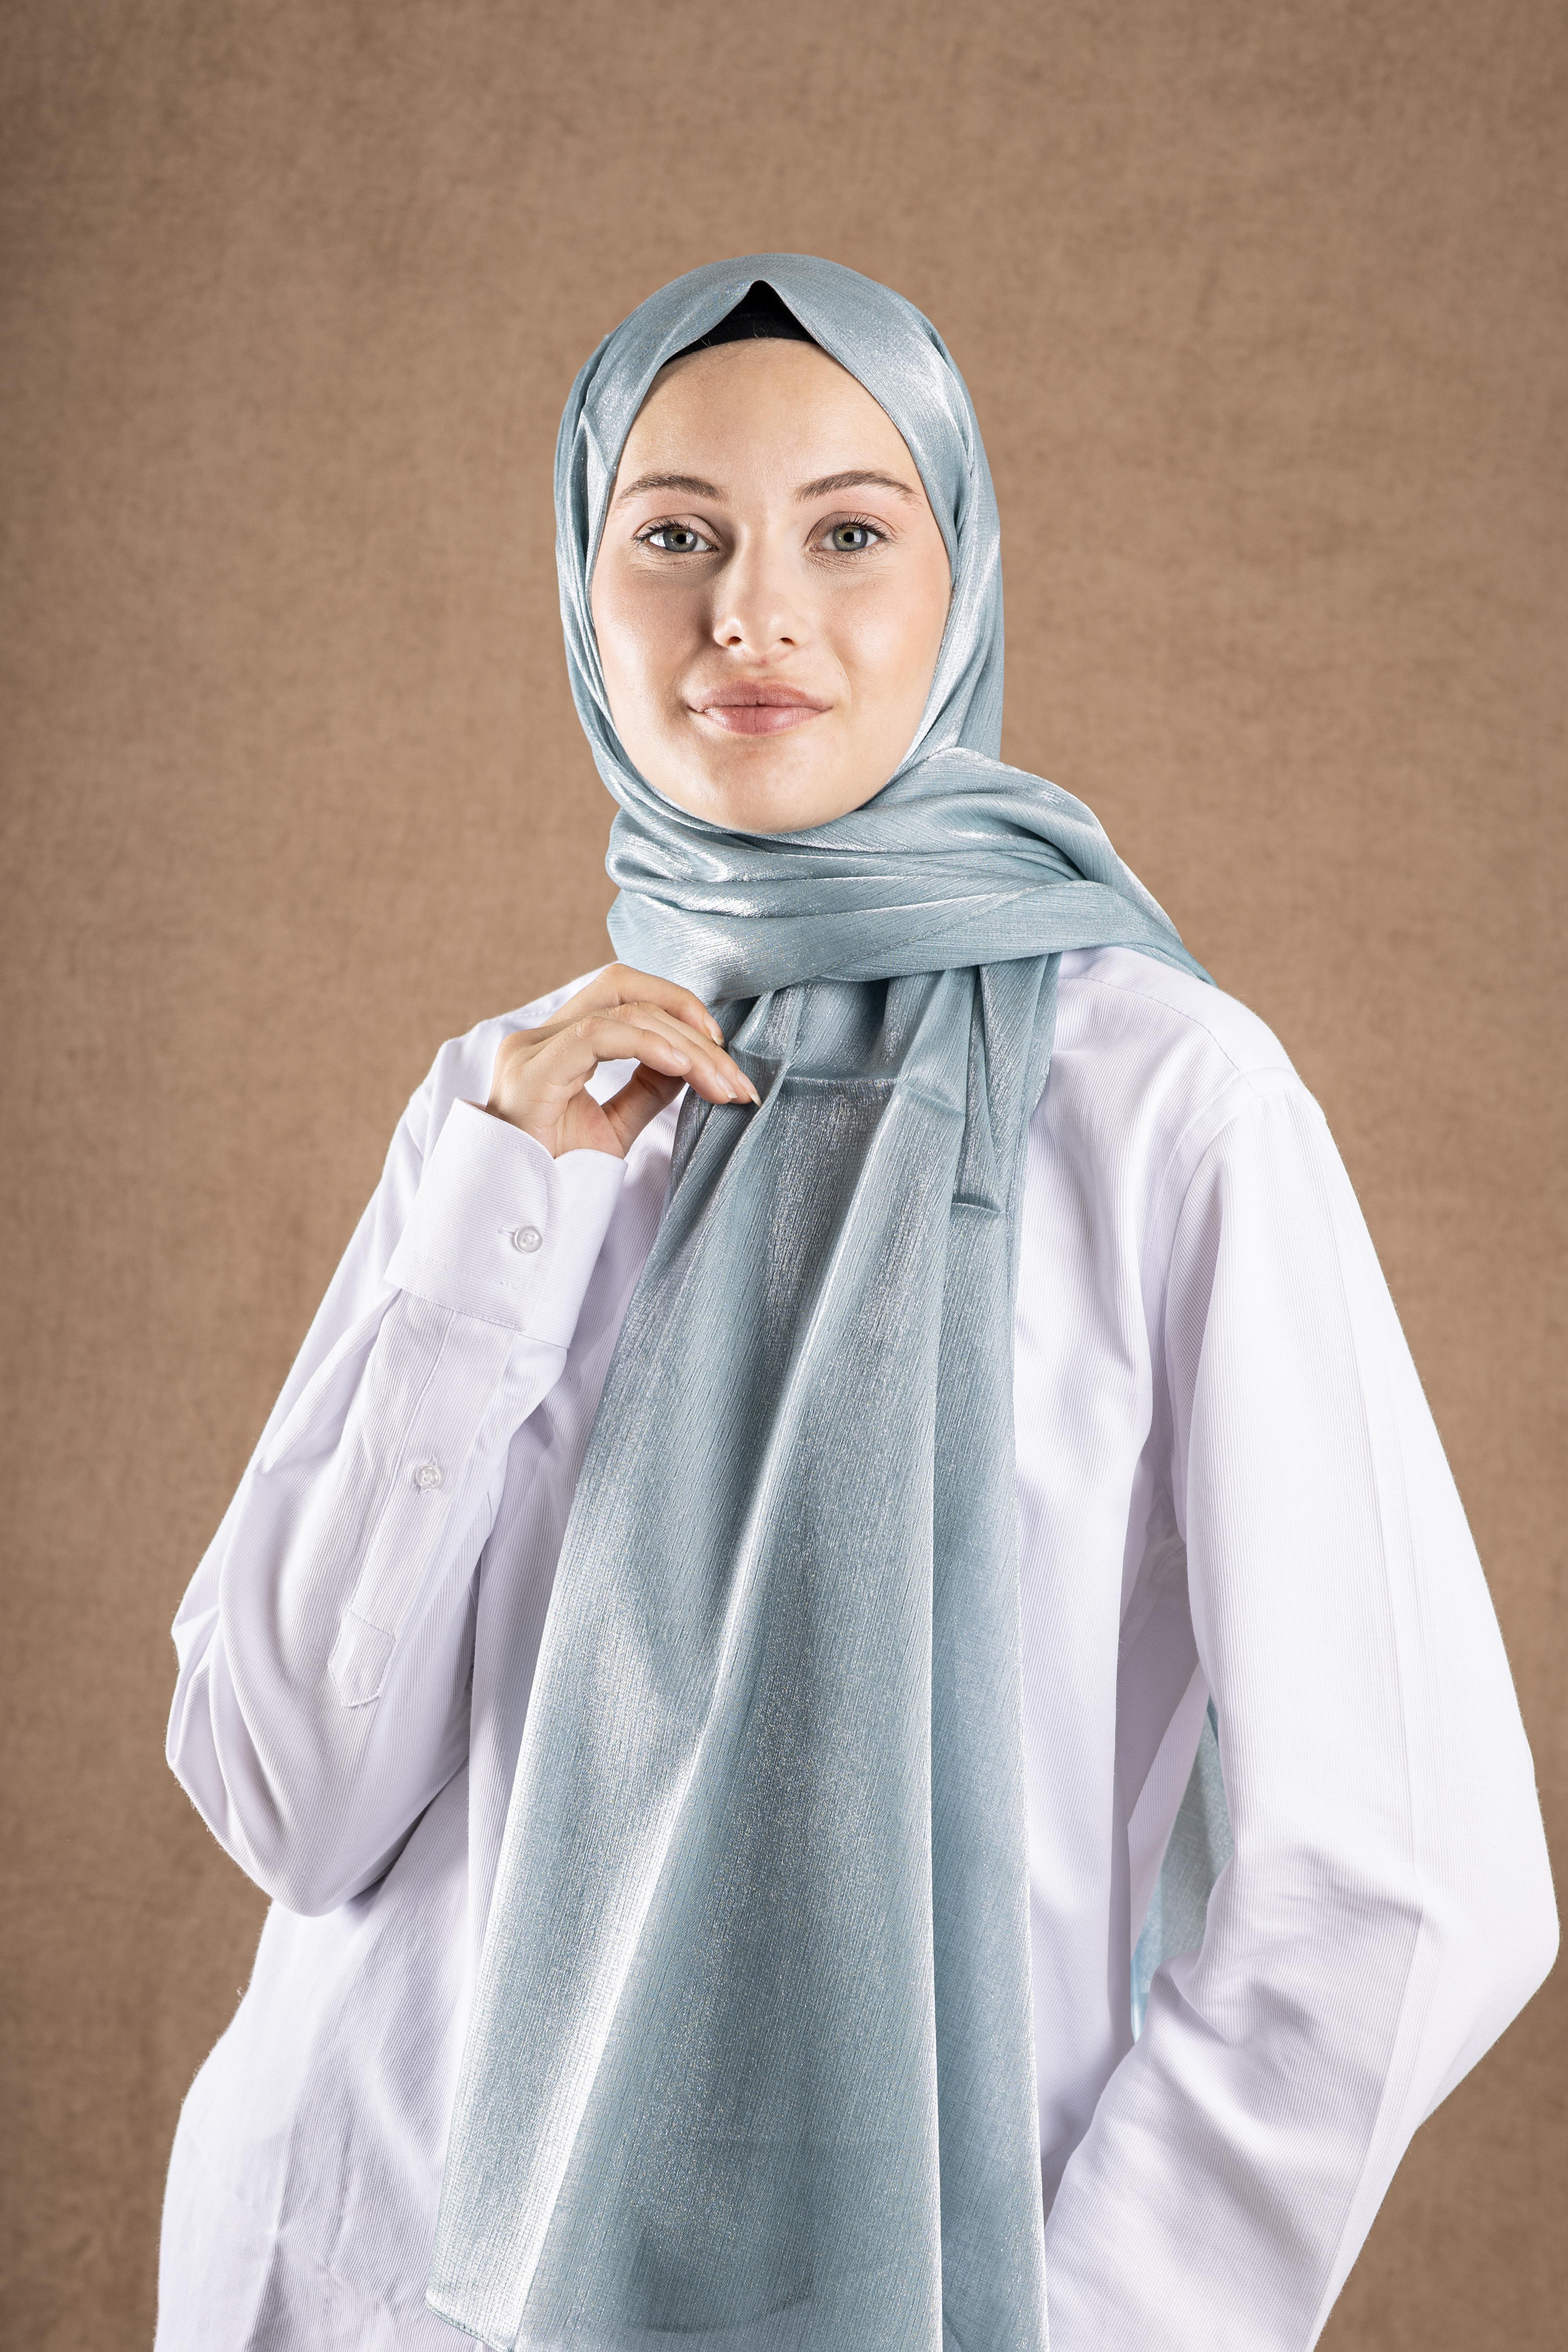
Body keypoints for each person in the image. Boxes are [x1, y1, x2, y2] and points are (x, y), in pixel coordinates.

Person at [157, 256, 1556, 2352]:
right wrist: (488, 1232)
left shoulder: (1160, 1104)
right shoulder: (512, 1101)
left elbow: (1404, 1878)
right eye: (674, 537)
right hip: (350, 2274)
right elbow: (287, 1803)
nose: (752, 614)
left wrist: (1085, 2324)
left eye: (847, 533)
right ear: (583, 595)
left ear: (958, 580)